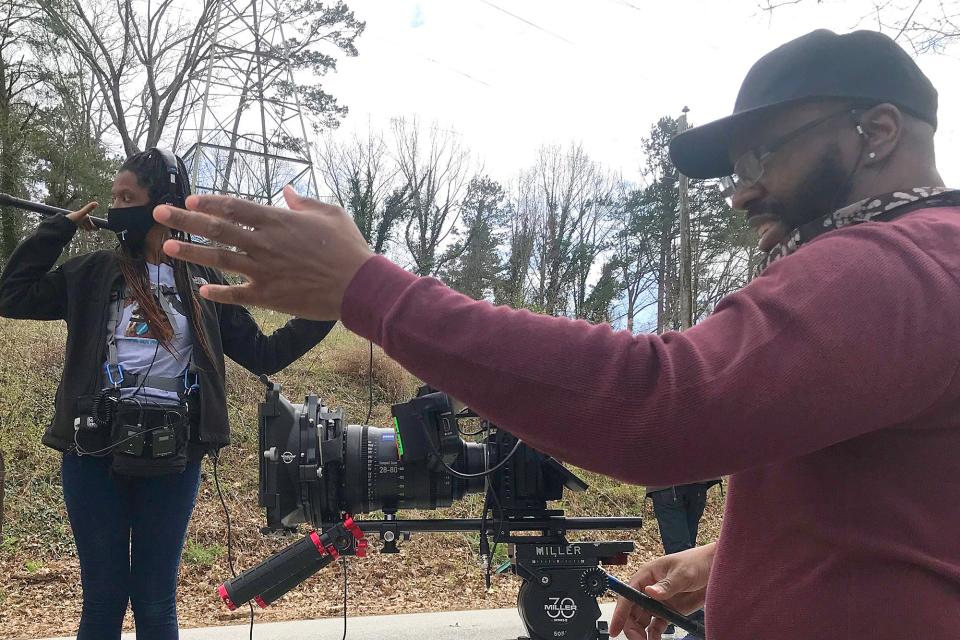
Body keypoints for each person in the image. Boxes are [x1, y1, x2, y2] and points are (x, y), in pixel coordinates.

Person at [153, 29, 960, 640]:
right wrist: (726, 563)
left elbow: (661, 403)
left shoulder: (886, 268)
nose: (741, 193)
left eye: (764, 155)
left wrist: (371, 292)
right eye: (735, 167)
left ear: (878, 132)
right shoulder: (925, 266)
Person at [0, 149, 335, 640]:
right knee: (104, 598)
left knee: (156, 601)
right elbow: (12, 294)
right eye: (115, 197)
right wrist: (61, 227)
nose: (114, 208)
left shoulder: (200, 281)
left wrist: (329, 307)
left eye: (126, 197)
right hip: (92, 452)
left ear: (164, 206)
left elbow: (264, 352)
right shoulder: (94, 273)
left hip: (175, 457)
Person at [645, 480, 719, 637]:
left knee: (680, 555)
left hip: (667, 483)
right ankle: (668, 618)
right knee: (684, 556)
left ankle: (698, 624)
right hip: (699, 480)